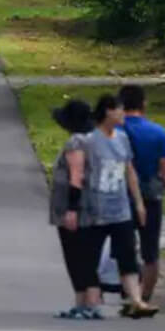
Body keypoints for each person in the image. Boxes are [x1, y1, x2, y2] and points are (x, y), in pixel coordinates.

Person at [81, 95, 157, 318]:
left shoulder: (122, 138)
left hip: (121, 207)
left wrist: (139, 203)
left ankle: (136, 300)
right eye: (120, 111)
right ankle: (88, 299)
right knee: (91, 256)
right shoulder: (91, 141)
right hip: (97, 208)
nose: (123, 115)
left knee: (127, 256)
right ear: (107, 112)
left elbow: (129, 170)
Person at [117, 85, 165, 302]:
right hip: (151, 194)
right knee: (150, 250)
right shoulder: (157, 132)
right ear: (144, 104)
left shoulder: (116, 131)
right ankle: (145, 295)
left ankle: (129, 288)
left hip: (121, 194)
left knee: (124, 245)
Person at [48, 99, 96, 319]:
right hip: (84, 207)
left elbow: (76, 178)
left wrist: (71, 208)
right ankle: (84, 303)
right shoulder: (90, 141)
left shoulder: (76, 143)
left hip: (75, 208)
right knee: (82, 255)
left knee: (76, 254)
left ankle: (84, 303)